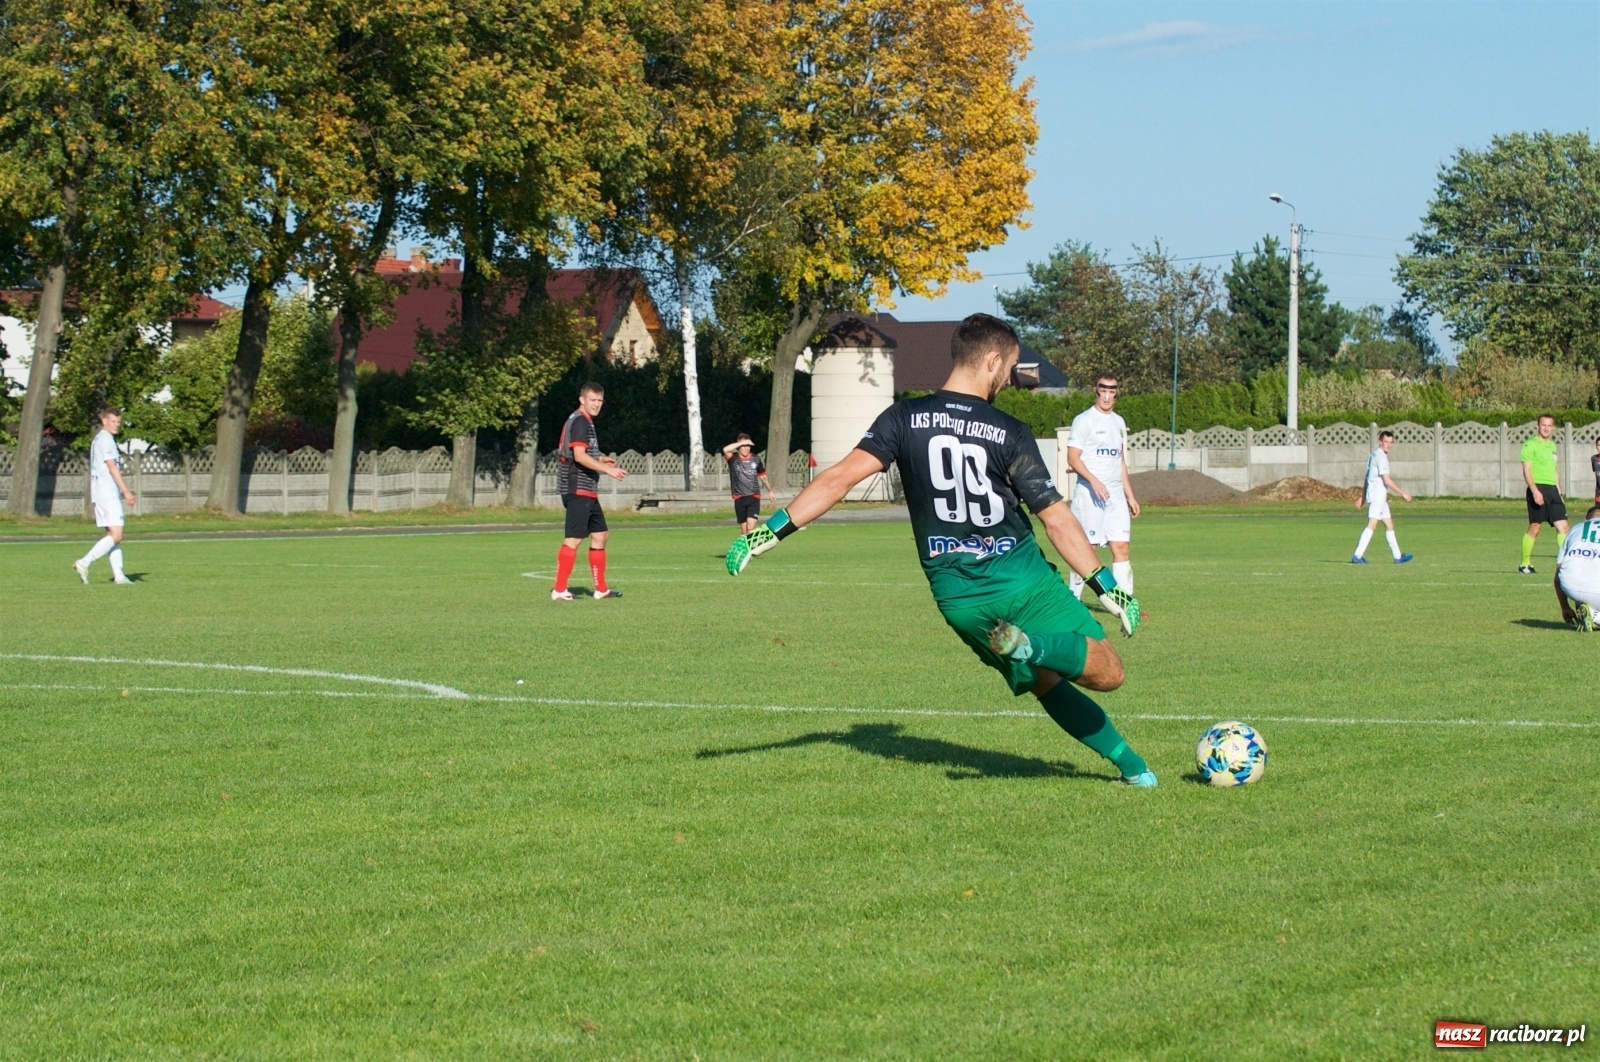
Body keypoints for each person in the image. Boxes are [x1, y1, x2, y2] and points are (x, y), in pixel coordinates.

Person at [724, 314, 1157, 787]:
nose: (1009, 381)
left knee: (1045, 683)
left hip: (959, 599)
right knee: (1108, 671)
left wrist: (768, 532)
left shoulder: (902, 418)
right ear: (992, 360)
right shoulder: (1008, 430)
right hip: (1023, 578)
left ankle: (1134, 769)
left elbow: (837, 478)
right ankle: (1045, 660)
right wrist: (1105, 583)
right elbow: (1054, 515)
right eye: (1009, 368)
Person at [1065, 372, 1140, 600]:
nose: (1107, 396)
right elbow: (1073, 458)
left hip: (1116, 497)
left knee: (1122, 548)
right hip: (1090, 496)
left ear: (1117, 392)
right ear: (1095, 390)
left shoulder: (1119, 422)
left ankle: (1126, 604)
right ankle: (1073, 601)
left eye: (1112, 391)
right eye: (1103, 390)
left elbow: (1120, 462)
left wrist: (1131, 496)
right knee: (1088, 551)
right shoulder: (1084, 420)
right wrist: (1094, 481)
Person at [552, 383, 627, 601]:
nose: (596, 404)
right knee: (574, 538)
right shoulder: (580, 422)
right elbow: (579, 456)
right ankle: (559, 589)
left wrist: (601, 458)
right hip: (577, 488)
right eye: (592, 400)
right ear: (582, 399)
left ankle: (601, 589)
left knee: (600, 535)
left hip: (588, 490)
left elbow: (585, 452)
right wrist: (608, 470)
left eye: (599, 401)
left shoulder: (585, 422)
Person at [72, 407, 137, 585]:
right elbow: (112, 467)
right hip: (106, 492)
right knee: (117, 535)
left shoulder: (99, 439)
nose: (116, 425)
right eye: (113, 422)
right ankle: (83, 562)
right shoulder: (106, 440)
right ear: (104, 421)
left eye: (118, 422)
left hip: (100, 492)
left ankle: (119, 576)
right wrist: (126, 490)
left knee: (112, 535)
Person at [1351, 430, 1414, 564]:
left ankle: (1398, 557)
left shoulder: (1373, 454)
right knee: (1372, 525)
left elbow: (1368, 477)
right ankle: (1357, 555)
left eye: (1391, 442)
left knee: (1389, 525)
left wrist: (1363, 497)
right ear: (1380, 441)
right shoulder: (1381, 457)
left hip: (1379, 496)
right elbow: (1387, 480)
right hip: (1377, 496)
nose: (1389, 445)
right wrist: (1403, 493)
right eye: (1386, 442)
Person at [1519, 414, 1569, 574]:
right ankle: (1524, 564)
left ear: (1552, 428)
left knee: (1564, 527)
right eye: (1543, 425)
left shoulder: (1553, 446)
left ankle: (1565, 563)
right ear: (1538, 426)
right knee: (1535, 527)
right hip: (1538, 488)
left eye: (1549, 425)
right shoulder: (1530, 445)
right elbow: (1526, 470)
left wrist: (1559, 492)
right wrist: (1534, 491)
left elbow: (1554, 471)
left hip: (1553, 491)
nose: (1546, 428)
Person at [1553, 505, 1600, 632]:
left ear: (1586, 519)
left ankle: (1588, 611)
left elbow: (1557, 577)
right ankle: (1594, 617)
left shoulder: (1575, 529)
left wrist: (1565, 607)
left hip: (1570, 586)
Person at [722, 433, 773, 533]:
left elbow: (762, 476)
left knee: (750, 527)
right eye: (743, 446)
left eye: (748, 446)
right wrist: (742, 442)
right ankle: (745, 547)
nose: (746, 448)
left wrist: (770, 491)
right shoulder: (733, 459)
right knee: (744, 529)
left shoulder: (756, 459)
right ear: (738, 446)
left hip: (754, 496)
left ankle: (753, 545)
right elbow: (725, 450)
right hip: (739, 497)